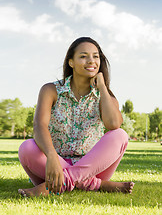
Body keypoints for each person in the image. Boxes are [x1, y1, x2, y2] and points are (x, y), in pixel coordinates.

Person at [18, 37, 134, 197]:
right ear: (71, 62)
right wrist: (51, 156)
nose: (91, 61)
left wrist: (102, 86)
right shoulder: (51, 90)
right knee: (26, 148)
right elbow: (39, 126)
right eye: (83, 56)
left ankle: (54, 186)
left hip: (93, 168)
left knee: (120, 135)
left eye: (95, 56)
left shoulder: (104, 96)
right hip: (53, 165)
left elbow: (114, 124)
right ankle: (98, 185)